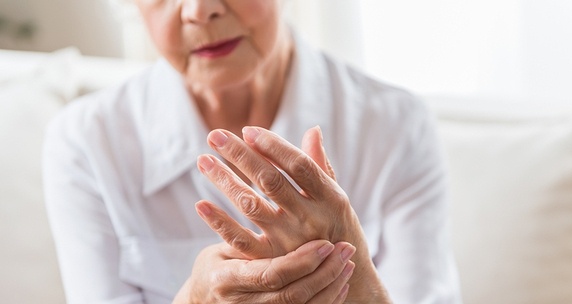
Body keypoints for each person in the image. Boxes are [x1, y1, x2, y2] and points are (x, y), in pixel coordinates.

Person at [43, 0, 461, 303]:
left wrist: (352, 271)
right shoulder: (87, 141)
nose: (198, 10)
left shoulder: (394, 124)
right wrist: (195, 301)